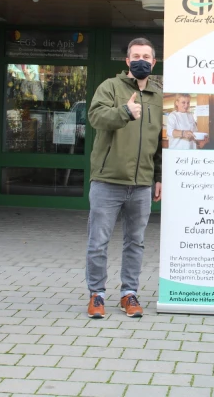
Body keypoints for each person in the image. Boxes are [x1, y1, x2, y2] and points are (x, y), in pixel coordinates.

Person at [85, 37, 163, 319]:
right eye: (135, 55)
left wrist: (158, 176)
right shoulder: (110, 87)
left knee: (135, 242)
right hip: (108, 180)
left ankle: (129, 294)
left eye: (146, 56)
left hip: (141, 184)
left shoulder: (158, 96)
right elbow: (96, 117)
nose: (141, 60)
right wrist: (124, 112)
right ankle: (97, 294)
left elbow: (158, 143)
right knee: (98, 241)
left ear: (153, 62)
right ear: (127, 61)